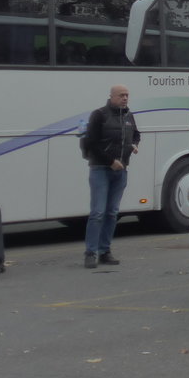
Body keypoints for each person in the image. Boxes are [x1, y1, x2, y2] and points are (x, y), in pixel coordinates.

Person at [82, 84, 139, 269]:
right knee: (98, 212)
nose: (125, 98)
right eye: (121, 95)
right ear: (112, 96)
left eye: (127, 95)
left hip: (121, 171)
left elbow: (136, 134)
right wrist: (110, 161)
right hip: (101, 170)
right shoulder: (99, 115)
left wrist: (134, 144)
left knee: (112, 213)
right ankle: (90, 253)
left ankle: (105, 251)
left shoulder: (129, 116)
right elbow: (91, 143)